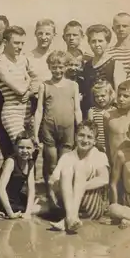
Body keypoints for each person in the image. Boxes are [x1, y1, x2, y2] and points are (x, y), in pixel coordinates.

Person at [34, 51, 82, 205]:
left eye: (60, 67)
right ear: (49, 67)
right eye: (54, 67)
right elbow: (39, 110)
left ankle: (62, 197)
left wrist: (80, 129)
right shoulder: (44, 85)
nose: (57, 70)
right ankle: (50, 196)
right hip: (49, 128)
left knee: (65, 163)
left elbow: (77, 110)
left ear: (66, 67)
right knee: (51, 162)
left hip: (68, 130)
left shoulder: (73, 85)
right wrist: (35, 133)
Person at [48, 121, 110, 233]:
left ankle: (70, 217)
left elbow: (104, 179)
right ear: (75, 136)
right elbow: (53, 180)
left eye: (89, 137)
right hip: (66, 204)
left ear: (95, 141)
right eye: (81, 135)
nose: (85, 140)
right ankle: (71, 217)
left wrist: (79, 187)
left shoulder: (99, 155)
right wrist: (61, 184)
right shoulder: (67, 156)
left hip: (90, 207)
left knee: (79, 167)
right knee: (67, 170)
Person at [0, 26, 33, 144]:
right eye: (16, 43)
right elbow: (20, 90)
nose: (20, 47)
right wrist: (28, 80)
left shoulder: (23, 60)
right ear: (5, 42)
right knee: (21, 146)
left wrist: (29, 93)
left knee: (32, 149)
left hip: (27, 111)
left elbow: (32, 88)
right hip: (12, 112)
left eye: (22, 43)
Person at [81, 24, 126, 117]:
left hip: (109, 114)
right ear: (89, 43)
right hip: (90, 114)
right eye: (93, 41)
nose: (97, 44)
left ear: (107, 42)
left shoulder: (115, 64)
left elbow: (119, 94)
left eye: (100, 41)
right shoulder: (86, 66)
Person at [0, 131, 39, 219]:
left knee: (45, 205)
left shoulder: (30, 163)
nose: (25, 151)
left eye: (28, 148)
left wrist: (28, 213)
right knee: (41, 208)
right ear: (15, 147)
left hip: (17, 199)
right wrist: (10, 213)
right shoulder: (11, 162)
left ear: (34, 149)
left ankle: (25, 210)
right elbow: (0, 189)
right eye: (21, 147)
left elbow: (31, 190)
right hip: (5, 201)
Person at [104, 80, 130, 166]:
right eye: (119, 95)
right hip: (114, 164)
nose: (121, 99)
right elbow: (106, 142)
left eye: (126, 96)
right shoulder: (108, 116)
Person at [27, 19, 56, 115]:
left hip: (54, 104)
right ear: (35, 34)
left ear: (54, 35)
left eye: (47, 34)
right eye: (40, 33)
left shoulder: (58, 57)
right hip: (33, 105)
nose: (43, 37)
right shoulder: (27, 57)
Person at [87, 82, 116, 152]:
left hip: (112, 145)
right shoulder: (92, 111)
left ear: (110, 95)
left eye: (103, 95)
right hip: (97, 146)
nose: (100, 98)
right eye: (97, 96)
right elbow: (90, 130)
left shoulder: (114, 110)